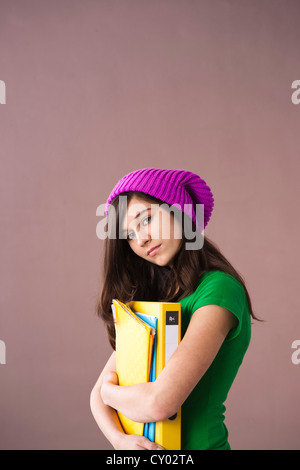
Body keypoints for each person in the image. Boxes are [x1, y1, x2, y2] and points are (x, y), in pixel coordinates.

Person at [90, 168, 257, 450]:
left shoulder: (219, 290)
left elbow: (159, 404)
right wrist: (121, 441)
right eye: (129, 234)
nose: (140, 240)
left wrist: (109, 392)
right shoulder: (161, 297)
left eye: (147, 220)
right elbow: (94, 398)